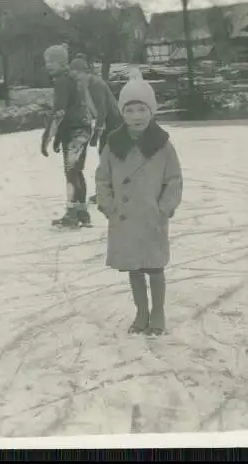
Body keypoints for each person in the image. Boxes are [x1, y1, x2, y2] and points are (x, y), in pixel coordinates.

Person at [95, 76, 183, 336]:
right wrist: (108, 204)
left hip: (151, 217)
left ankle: (157, 313)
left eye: (142, 109)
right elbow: (102, 178)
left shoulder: (163, 145)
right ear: (122, 113)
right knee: (134, 267)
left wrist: (163, 208)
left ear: (151, 111)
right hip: (125, 217)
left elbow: (174, 179)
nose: (136, 116)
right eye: (130, 110)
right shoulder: (113, 144)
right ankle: (141, 312)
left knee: (154, 267)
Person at [41, 45, 93, 228]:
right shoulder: (70, 79)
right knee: (76, 170)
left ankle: (72, 214)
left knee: (71, 172)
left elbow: (60, 112)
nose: (47, 65)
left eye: (51, 61)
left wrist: (47, 137)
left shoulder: (62, 81)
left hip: (75, 130)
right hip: (82, 128)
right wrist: (58, 138)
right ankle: (82, 213)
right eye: (46, 61)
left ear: (62, 62)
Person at [68, 57, 123, 203]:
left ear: (85, 72)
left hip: (114, 123)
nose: (76, 79)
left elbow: (102, 111)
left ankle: (111, 192)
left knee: (108, 157)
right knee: (105, 157)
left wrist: (96, 134)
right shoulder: (84, 86)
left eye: (77, 75)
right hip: (106, 125)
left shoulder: (96, 84)